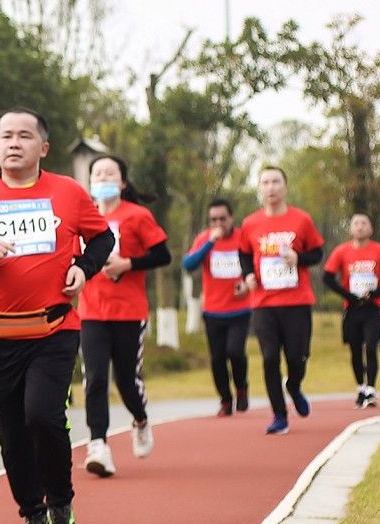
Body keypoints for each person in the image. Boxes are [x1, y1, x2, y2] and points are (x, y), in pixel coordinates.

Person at [0, 109, 113, 524]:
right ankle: (31, 514)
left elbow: (103, 239)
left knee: (43, 416)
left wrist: (83, 267)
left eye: (24, 136)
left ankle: (61, 506)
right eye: (6, 136)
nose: (14, 143)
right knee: (12, 431)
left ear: (43, 148)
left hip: (54, 330)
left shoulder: (68, 193)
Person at [75, 155, 170, 478]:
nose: (102, 177)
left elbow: (162, 254)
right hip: (91, 311)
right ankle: (98, 444)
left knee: (126, 380)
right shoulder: (80, 217)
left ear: (122, 182)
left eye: (109, 173)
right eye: (97, 173)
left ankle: (141, 420)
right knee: (95, 378)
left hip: (129, 311)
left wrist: (127, 264)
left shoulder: (137, 215)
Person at [237, 166, 325, 435]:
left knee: (297, 357)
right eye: (265, 182)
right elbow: (243, 253)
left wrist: (299, 259)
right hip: (264, 302)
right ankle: (279, 415)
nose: (271, 187)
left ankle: (294, 386)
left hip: (297, 300)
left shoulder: (301, 220)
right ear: (260, 189)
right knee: (269, 358)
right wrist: (249, 275)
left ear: (285, 187)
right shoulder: (250, 223)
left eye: (276, 182)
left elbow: (318, 252)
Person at [182, 197, 253, 416]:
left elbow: (255, 264)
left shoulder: (243, 238)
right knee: (218, 357)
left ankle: (241, 387)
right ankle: (225, 398)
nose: (218, 223)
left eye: (223, 219)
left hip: (240, 309)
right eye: (214, 219)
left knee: (235, 352)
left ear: (231, 218)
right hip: (213, 311)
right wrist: (210, 242)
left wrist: (249, 283)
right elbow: (188, 265)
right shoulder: (204, 239)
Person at [323, 213, 380, 408]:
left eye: (364, 223)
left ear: (371, 229)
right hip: (352, 308)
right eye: (356, 223)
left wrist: (375, 293)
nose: (360, 227)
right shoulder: (342, 251)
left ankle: (371, 390)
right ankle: (361, 387)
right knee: (355, 350)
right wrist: (348, 295)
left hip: (373, 308)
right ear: (350, 229)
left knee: (371, 346)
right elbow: (327, 277)